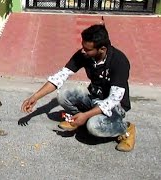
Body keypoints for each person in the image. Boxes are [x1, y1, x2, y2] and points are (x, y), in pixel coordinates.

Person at [21, 24, 135, 152]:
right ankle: (79, 120)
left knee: (93, 126)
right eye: (83, 47)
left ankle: (126, 128)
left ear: (102, 49)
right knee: (64, 94)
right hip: (94, 97)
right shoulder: (84, 55)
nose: (83, 51)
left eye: (88, 49)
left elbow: (114, 100)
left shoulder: (119, 61)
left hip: (115, 106)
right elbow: (60, 77)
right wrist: (35, 97)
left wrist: (86, 115)